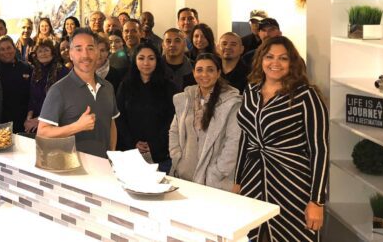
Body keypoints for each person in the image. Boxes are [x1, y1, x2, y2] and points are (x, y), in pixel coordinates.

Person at [234, 36, 329, 241]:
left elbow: (319, 149)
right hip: (252, 181)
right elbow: (246, 138)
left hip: (292, 185)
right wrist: (237, 181)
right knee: (252, 236)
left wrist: (317, 201)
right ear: (261, 59)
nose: (275, 63)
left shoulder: (306, 95)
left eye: (283, 58)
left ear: (292, 63)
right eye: (269, 57)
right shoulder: (250, 90)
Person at [37, 28, 119, 158]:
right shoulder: (58, 90)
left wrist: (112, 154)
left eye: (90, 48)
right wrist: (77, 126)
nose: (85, 55)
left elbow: (111, 124)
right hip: (71, 171)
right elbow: (42, 133)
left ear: (98, 52)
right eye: (79, 49)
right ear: (70, 54)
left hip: (103, 169)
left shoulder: (108, 87)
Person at [168, 53, 242, 190]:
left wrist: (217, 172)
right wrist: (177, 158)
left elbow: (233, 141)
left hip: (215, 181)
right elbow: (174, 131)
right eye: (199, 70)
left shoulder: (231, 102)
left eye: (210, 70)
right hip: (184, 176)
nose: (204, 74)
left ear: (219, 73)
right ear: (193, 72)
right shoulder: (184, 99)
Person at [116, 42, 175, 170]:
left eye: (151, 58)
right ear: (135, 60)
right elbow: (119, 117)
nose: (146, 63)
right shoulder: (126, 85)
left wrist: (154, 145)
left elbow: (172, 120)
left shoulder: (168, 87)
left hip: (161, 154)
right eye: (141, 58)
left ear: (157, 61)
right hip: (130, 151)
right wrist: (133, 142)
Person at [25, 38, 68, 134]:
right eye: (40, 51)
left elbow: (61, 103)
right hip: (36, 119)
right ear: (36, 55)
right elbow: (32, 97)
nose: (43, 53)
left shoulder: (62, 71)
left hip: (55, 122)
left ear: (52, 53)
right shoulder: (35, 72)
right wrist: (29, 119)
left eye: (46, 50)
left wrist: (39, 121)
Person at [0, 36, 32, 133]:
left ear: (14, 49)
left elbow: (33, 94)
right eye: (2, 49)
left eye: (9, 48)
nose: (6, 52)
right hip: (2, 121)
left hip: (25, 120)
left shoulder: (27, 68)